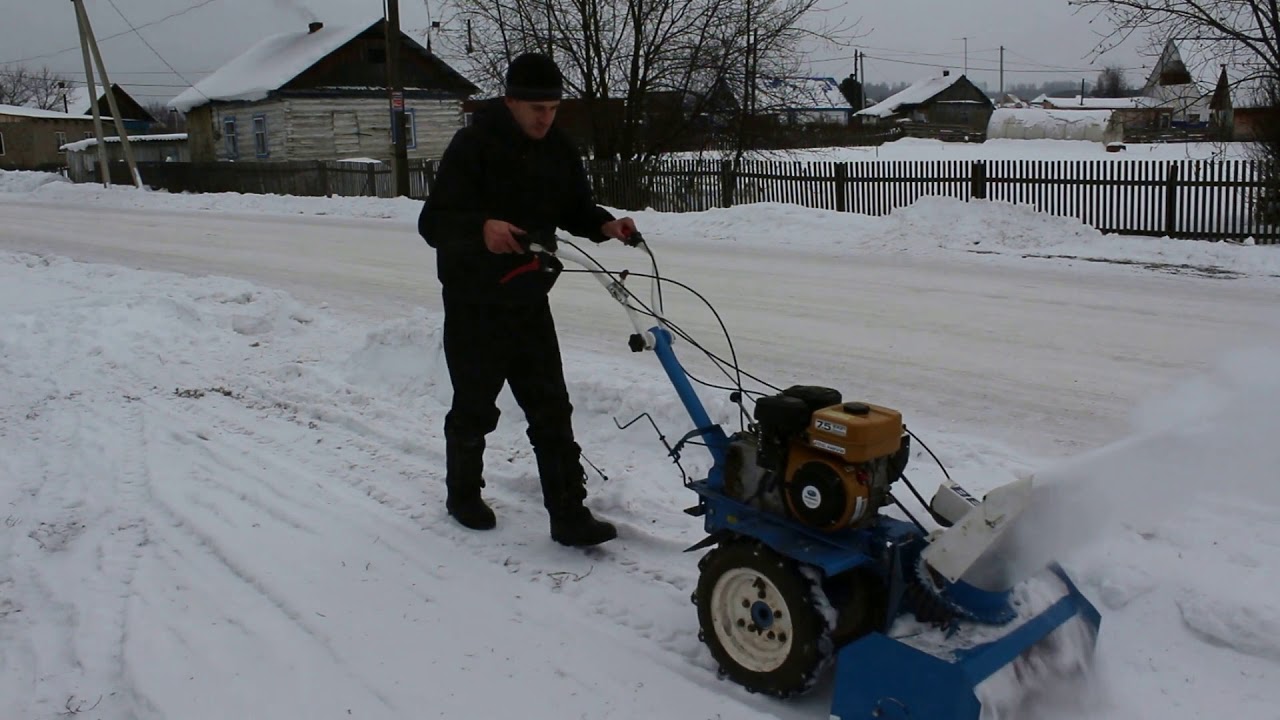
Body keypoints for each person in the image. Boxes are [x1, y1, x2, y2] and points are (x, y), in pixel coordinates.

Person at [417, 51, 641, 547]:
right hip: (474, 300)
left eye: (554, 108)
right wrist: (482, 228)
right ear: (511, 101)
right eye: (536, 108)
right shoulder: (473, 145)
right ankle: (462, 493)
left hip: (528, 294)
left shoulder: (558, 149)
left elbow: (574, 208)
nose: (545, 117)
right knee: (475, 405)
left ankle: (568, 514)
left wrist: (605, 223)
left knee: (551, 408)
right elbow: (432, 223)